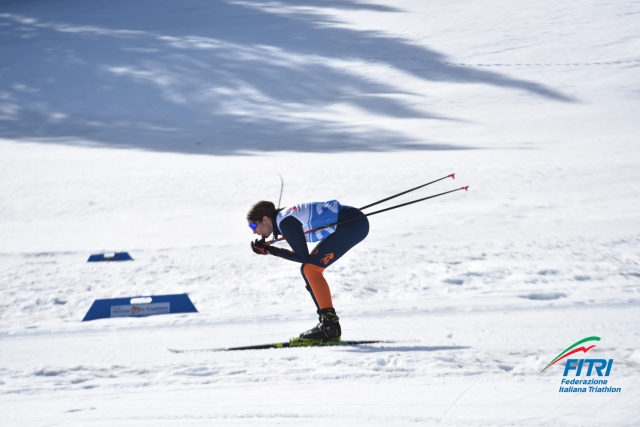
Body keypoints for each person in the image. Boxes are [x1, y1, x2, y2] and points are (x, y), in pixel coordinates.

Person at [247, 200, 369, 341]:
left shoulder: (285, 222)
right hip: (353, 221)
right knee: (308, 269)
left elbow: (302, 256)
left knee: (311, 269)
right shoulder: (284, 219)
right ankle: (328, 324)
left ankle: (330, 326)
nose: (254, 231)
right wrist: (270, 248)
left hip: (352, 224)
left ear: (265, 219)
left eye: (253, 225)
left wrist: (271, 251)